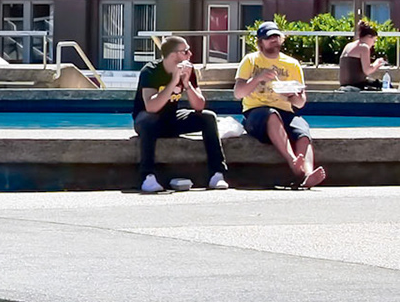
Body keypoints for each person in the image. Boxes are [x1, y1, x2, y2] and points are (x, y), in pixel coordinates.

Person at [131, 35, 227, 194]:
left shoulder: (189, 70)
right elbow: (151, 107)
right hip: (147, 120)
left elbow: (199, 106)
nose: (190, 55)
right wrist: (174, 81)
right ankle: (147, 176)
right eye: (186, 51)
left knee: (208, 117)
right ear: (173, 55)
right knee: (149, 120)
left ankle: (217, 174)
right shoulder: (151, 71)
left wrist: (187, 84)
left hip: (172, 118)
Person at [235, 22, 324, 188]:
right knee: (271, 114)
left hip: (285, 110)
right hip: (256, 112)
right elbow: (238, 93)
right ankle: (295, 165)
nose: (274, 40)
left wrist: (291, 95)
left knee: (302, 129)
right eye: (269, 38)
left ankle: (307, 174)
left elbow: (300, 102)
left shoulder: (292, 64)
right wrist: (258, 78)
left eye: (276, 36)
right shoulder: (251, 60)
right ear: (260, 42)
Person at [338, 20, 387, 90]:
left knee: (379, 83)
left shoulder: (348, 45)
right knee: (383, 86)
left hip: (345, 84)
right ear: (369, 36)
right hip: (356, 85)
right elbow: (367, 71)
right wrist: (377, 63)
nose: (373, 44)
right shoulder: (364, 47)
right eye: (374, 40)